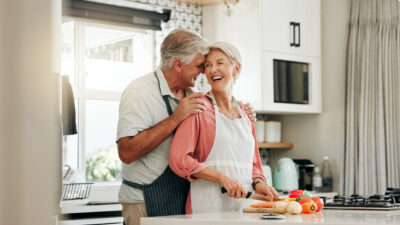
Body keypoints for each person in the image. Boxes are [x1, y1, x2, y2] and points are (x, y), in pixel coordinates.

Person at [116, 29, 256, 225]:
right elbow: (126, 152)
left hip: (181, 197)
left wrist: (243, 112)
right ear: (178, 64)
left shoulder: (193, 93)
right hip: (144, 200)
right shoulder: (140, 92)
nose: (203, 72)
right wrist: (175, 119)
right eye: (201, 65)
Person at [169, 42, 279, 214]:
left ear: (235, 69)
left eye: (220, 63)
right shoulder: (198, 108)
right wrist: (221, 178)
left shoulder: (245, 114)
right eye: (208, 65)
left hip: (245, 208)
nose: (213, 70)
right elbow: (179, 159)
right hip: (207, 209)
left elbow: (254, 163)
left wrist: (259, 183)